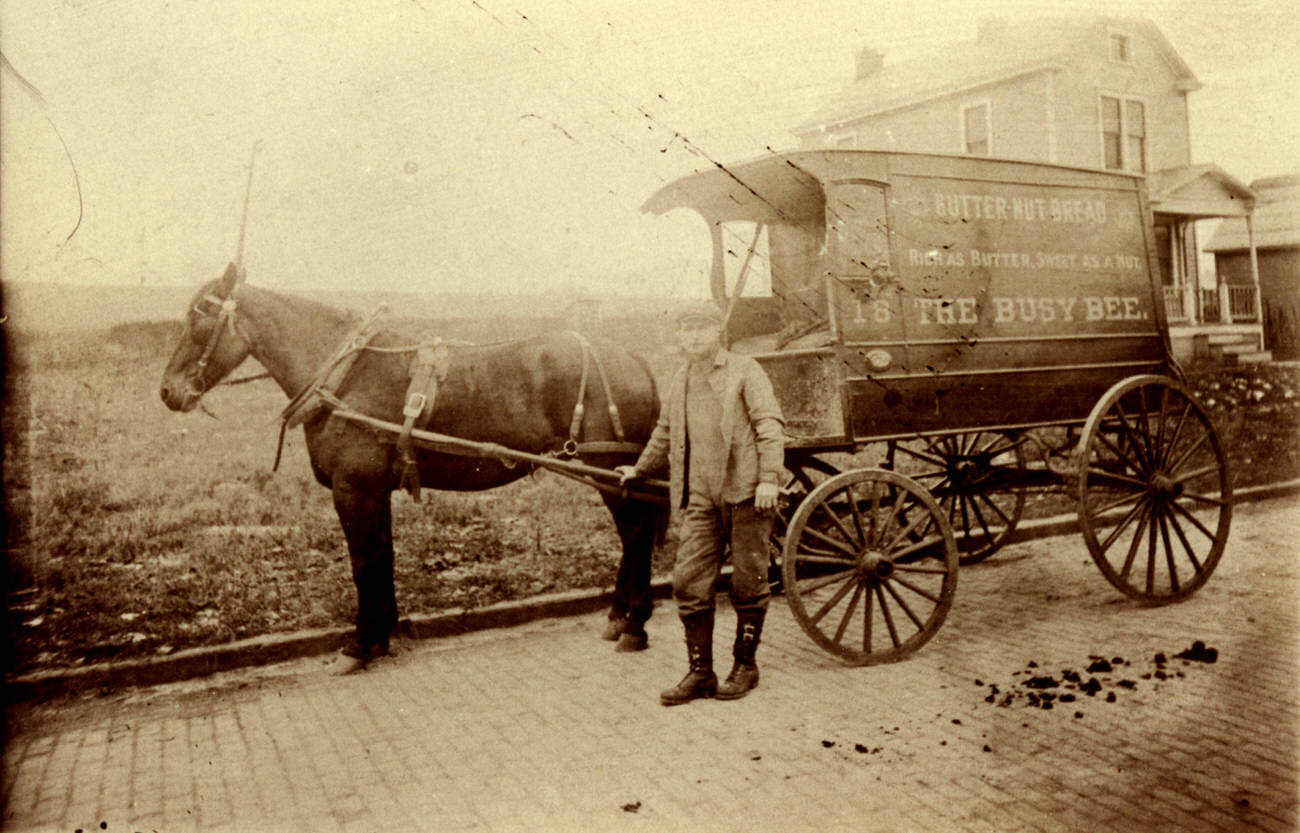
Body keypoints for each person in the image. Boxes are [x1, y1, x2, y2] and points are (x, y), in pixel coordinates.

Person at [616, 301, 785, 705]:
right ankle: (700, 673)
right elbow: (664, 430)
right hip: (699, 497)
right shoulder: (681, 378)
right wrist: (639, 470)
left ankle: (745, 665)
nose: (693, 337)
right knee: (689, 583)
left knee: (748, 582)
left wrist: (768, 478)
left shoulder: (746, 370)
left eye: (701, 329)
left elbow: (769, 425)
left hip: (744, 492)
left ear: (717, 333)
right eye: (686, 330)